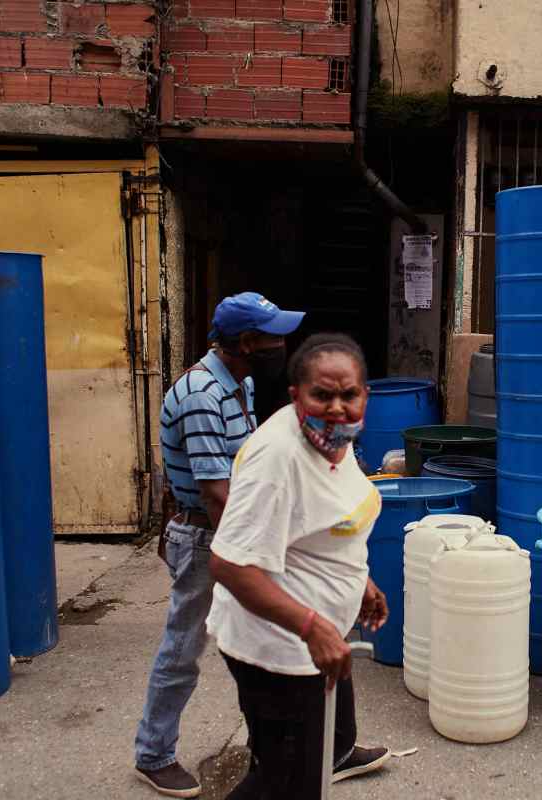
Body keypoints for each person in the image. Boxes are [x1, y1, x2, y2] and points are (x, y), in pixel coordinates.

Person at [135, 292, 304, 799]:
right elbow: (216, 495)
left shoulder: (239, 383)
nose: (283, 343)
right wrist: (253, 555)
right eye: (273, 335)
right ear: (247, 342)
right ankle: (153, 754)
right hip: (212, 538)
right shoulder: (204, 395)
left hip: (230, 531)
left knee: (258, 644)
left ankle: (275, 745)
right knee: (185, 647)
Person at [208, 333, 392, 799]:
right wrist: (311, 626)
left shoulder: (335, 437)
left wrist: (360, 578)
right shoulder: (279, 458)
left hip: (320, 638)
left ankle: (325, 758)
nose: (337, 407)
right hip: (281, 650)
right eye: (322, 395)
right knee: (285, 783)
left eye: (348, 394)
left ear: (364, 394)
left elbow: (324, 523)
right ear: (296, 397)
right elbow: (229, 563)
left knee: (326, 747)